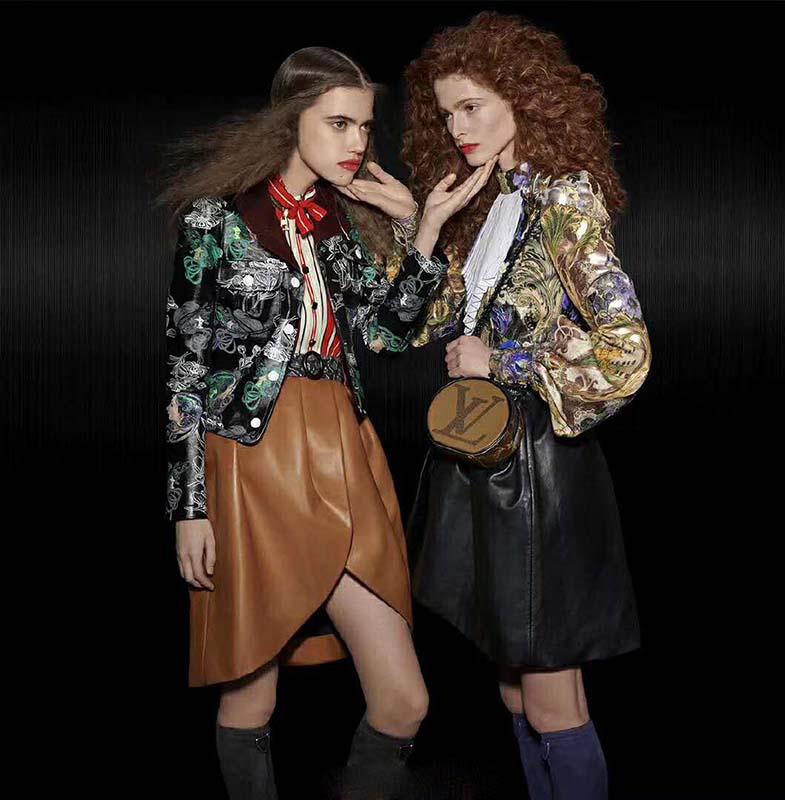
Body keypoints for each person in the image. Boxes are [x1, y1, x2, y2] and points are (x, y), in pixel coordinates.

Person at [160, 46, 495, 799]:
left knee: (404, 700)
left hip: (345, 445)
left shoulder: (338, 225)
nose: (356, 142)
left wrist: (424, 229)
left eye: (364, 127)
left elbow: (389, 334)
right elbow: (185, 371)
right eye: (338, 123)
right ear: (291, 121)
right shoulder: (216, 220)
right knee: (251, 694)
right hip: (255, 459)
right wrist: (189, 508)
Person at [402, 12, 652, 800]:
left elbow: (626, 350)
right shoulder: (488, 206)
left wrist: (502, 361)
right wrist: (425, 227)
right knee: (514, 690)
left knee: (549, 698)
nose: (457, 127)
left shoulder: (564, 197)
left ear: (524, 98)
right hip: (487, 468)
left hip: (541, 476)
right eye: (446, 112)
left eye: (472, 106)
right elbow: (418, 325)